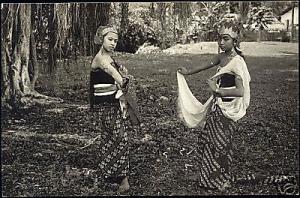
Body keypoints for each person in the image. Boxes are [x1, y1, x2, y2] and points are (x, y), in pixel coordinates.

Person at [177, 17, 251, 191]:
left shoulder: (238, 62)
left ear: (235, 40)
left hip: (227, 109)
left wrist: (218, 91)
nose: (221, 42)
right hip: (217, 108)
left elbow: (240, 91)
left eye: (226, 39)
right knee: (208, 141)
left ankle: (220, 179)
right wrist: (187, 72)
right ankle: (207, 178)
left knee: (221, 144)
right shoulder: (221, 57)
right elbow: (204, 65)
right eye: (220, 38)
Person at [90, 25, 140, 193]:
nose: (113, 43)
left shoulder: (110, 58)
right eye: (110, 40)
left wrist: (123, 75)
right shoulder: (101, 59)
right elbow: (117, 77)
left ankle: (107, 173)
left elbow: (119, 74)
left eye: (115, 40)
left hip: (113, 104)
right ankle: (123, 180)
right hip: (106, 107)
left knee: (111, 138)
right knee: (119, 138)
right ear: (101, 40)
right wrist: (123, 78)